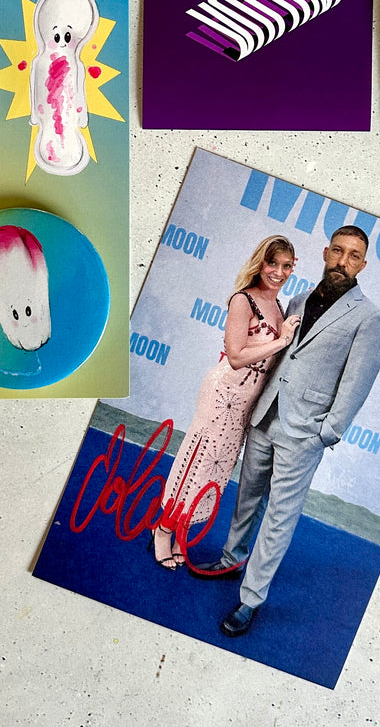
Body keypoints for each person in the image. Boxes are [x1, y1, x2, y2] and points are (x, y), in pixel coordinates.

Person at [191, 226, 380, 638]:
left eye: (353, 256)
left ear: (363, 265)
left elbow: (356, 384)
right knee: (247, 496)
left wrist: (326, 432)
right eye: (338, 251)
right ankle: (231, 558)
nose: (343, 261)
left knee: (279, 516)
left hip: (305, 433)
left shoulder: (369, 319)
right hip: (266, 415)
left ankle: (250, 599)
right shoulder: (296, 300)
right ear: (325, 253)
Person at [151, 235, 302, 569]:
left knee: (216, 469)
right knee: (197, 460)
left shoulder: (279, 307)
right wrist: (282, 342)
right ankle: (163, 529)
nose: (278, 272)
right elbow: (235, 356)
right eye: (272, 263)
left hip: (246, 405)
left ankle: (180, 531)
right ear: (260, 262)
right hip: (223, 394)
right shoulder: (243, 300)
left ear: (293, 268)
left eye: (286, 266)